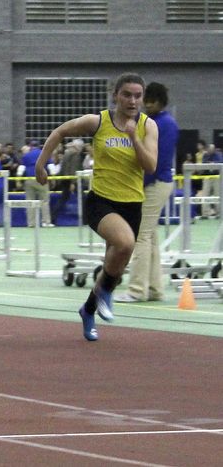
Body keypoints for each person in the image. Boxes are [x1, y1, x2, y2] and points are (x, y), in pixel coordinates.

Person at [35, 72, 158, 341]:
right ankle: (105, 293)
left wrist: (134, 138)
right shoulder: (98, 121)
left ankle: (88, 309)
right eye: (127, 94)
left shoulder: (148, 127)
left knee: (114, 263)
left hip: (132, 204)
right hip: (101, 201)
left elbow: (150, 166)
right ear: (116, 95)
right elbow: (60, 132)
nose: (132, 100)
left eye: (138, 96)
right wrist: (40, 163)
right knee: (124, 244)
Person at [120, 82, 179, 303]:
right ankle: (155, 289)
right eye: (147, 100)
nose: (146, 104)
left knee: (141, 236)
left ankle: (136, 290)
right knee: (150, 237)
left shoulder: (164, 124)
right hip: (154, 182)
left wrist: (138, 185)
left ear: (160, 102)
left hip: (155, 183)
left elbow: (156, 161)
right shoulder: (156, 122)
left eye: (151, 101)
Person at [20, 140, 54, 227]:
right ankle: (46, 222)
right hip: (41, 178)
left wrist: (18, 180)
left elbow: (21, 169)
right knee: (44, 201)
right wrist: (53, 178)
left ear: (30, 147)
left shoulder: (26, 155)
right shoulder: (44, 153)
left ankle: (31, 223)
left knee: (29, 201)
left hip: (29, 179)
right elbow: (51, 167)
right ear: (39, 146)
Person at [51, 138, 85, 225]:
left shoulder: (66, 153)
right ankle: (85, 219)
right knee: (83, 199)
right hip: (73, 180)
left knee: (63, 199)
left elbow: (63, 168)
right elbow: (74, 169)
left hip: (65, 180)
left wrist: (56, 178)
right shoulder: (75, 154)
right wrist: (73, 183)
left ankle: (53, 217)